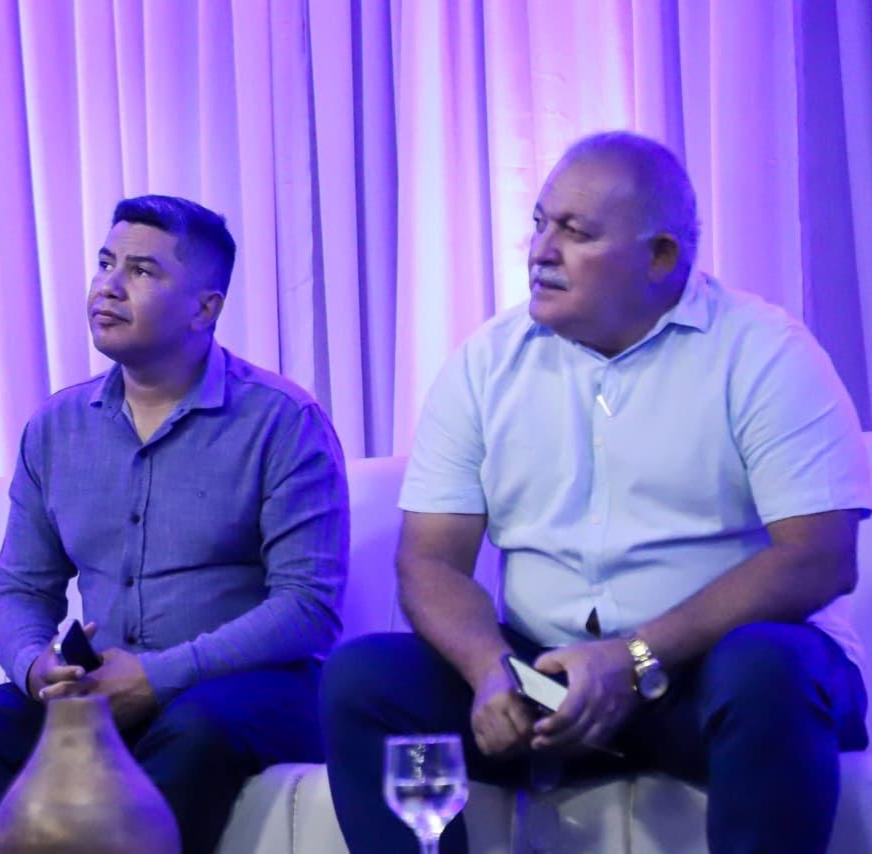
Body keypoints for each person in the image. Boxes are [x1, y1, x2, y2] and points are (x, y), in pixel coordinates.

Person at [321, 131, 870, 853]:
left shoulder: (764, 352)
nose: (540, 251)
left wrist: (633, 658)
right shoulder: (485, 362)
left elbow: (818, 558)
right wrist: (488, 671)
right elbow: (428, 561)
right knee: (365, 679)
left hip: (710, 679)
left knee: (767, 666)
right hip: (548, 684)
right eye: (539, 224)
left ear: (661, 257)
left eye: (575, 232)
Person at [0, 195, 349, 854]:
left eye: (142, 271)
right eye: (105, 263)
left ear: (204, 309)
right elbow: (22, 591)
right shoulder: (56, 428)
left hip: (245, 689)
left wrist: (159, 676)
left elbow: (307, 608)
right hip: (97, 689)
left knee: (193, 731)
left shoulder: (281, 421)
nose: (109, 286)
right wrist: (35, 667)